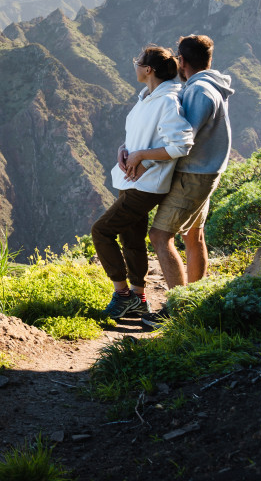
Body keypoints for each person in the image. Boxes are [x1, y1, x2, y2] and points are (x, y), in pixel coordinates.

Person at [93, 46, 194, 320]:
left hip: (146, 184)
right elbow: (143, 136)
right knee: (131, 239)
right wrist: (124, 149)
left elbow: (180, 145)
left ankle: (122, 295)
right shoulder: (148, 98)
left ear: (148, 69)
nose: (135, 66)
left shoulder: (167, 101)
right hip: (130, 179)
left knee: (101, 232)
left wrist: (141, 157)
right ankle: (138, 298)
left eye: (137, 62)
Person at [141, 35, 234, 326]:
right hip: (208, 173)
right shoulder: (213, 85)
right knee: (193, 236)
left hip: (193, 175)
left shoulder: (200, 91)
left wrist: (144, 159)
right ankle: (194, 302)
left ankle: (177, 311)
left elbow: (182, 139)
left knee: (159, 236)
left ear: (182, 61)